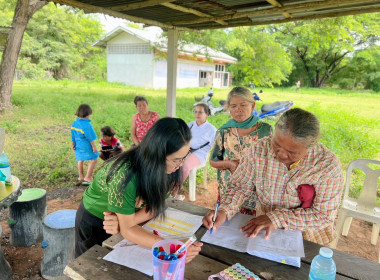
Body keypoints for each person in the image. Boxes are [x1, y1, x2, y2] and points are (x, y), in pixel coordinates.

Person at [203, 108, 344, 246]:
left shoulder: (327, 166)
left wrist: (276, 218)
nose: (281, 155)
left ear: (310, 148)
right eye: (276, 144)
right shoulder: (259, 150)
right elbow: (240, 186)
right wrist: (224, 210)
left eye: (292, 152)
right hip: (265, 230)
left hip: (310, 238)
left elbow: (323, 215)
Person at [75, 117, 202, 263]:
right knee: (90, 265)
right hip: (96, 219)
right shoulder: (124, 175)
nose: (180, 164)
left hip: (121, 218)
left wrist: (125, 222)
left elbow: (155, 205)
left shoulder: (169, 169)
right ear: (157, 156)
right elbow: (129, 229)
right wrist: (170, 246)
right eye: (176, 159)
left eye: (184, 157)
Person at [209, 86, 272, 214]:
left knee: (250, 226)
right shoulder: (224, 131)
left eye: (243, 105)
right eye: (233, 106)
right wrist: (230, 164)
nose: (238, 110)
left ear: (252, 106)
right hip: (229, 189)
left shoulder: (265, 130)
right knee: (227, 223)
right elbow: (213, 161)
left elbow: (273, 160)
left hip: (256, 190)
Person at [181, 103, 217, 186]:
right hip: (185, 151)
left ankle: (174, 190)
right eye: (195, 112)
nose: (197, 114)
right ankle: (166, 185)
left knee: (185, 166)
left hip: (199, 154)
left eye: (200, 112)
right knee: (171, 162)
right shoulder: (191, 124)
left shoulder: (211, 130)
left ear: (207, 114)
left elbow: (215, 148)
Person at [71, 104, 98, 186]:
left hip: (78, 145)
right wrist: (94, 147)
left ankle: (81, 176)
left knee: (80, 159)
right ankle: (88, 177)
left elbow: (73, 135)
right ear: (87, 114)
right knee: (94, 158)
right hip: (86, 145)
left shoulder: (75, 123)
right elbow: (90, 138)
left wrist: (73, 144)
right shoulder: (87, 125)